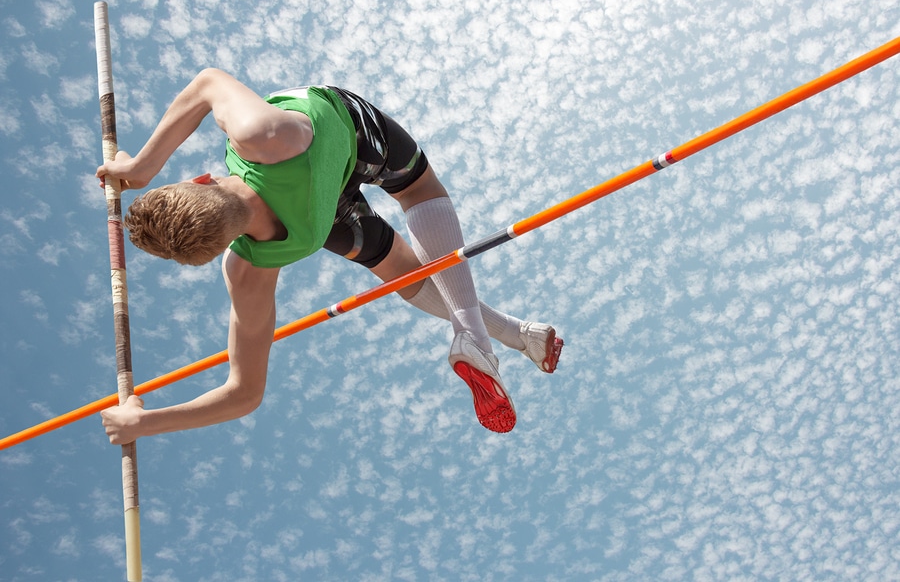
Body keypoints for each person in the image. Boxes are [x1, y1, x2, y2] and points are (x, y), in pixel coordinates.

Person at [96, 68, 563, 440]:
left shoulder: (249, 267)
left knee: (406, 277)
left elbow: (242, 394)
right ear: (200, 180)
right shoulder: (261, 135)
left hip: (323, 221)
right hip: (350, 139)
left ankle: (518, 335)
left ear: (214, 247)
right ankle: (474, 335)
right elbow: (205, 83)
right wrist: (139, 168)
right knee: (419, 192)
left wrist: (144, 421)